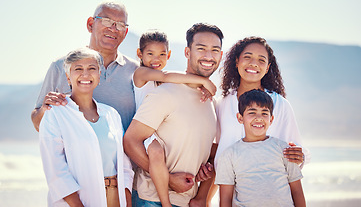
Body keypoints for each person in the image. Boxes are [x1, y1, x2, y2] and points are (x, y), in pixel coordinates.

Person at [124, 23, 224, 207]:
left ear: (221, 55)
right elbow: (130, 141)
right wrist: (169, 179)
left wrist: (205, 172)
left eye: (215, 50)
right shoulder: (165, 92)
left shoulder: (212, 102)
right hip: (151, 200)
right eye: (201, 48)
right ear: (187, 52)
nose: (209, 56)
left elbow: (200, 149)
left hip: (187, 201)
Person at [209, 36, 310, 205]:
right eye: (247, 57)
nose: (254, 63)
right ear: (236, 61)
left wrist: (300, 156)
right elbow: (215, 151)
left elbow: (296, 152)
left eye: (261, 60)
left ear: (268, 67)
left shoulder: (280, 105)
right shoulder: (221, 103)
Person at [39, 48, 134, 207]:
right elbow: (57, 172)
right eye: (78, 69)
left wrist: (126, 202)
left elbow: (125, 168)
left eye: (92, 68)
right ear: (68, 76)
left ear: (99, 75)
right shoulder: (54, 115)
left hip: (115, 198)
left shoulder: (111, 115)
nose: (85, 74)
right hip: (78, 201)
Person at [31, 1, 139, 132]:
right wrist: (45, 109)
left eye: (120, 25)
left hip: (120, 152)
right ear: (90, 24)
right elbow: (38, 124)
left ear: (125, 32)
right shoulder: (61, 66)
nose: (113, 28)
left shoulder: (137, 72)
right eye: (107, 21)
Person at [215, 89, 306, 207]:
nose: (259, 118)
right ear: (240, 118)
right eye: (252, 112)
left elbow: (297, 191)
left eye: (264, 113)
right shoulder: (229, 155)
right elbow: (226, 198)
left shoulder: (284, 149)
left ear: (271, 119)